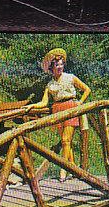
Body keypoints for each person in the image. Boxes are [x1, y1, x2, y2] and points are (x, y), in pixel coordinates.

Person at [26, 48, 92, 181]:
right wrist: (32, 105)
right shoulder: (50, 85)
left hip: (70, 108)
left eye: (61, 64)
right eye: (57, 65)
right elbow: (44, 103)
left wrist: (80, 102)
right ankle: (74, 168)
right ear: (52, 68)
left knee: (66, 140)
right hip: (57, 110)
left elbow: (87, 89)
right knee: (66, 142)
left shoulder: (70, 77)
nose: (60, 67)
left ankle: (63, 170)